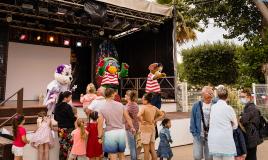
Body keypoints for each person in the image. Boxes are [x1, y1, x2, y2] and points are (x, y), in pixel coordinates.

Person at [97, 88, 136, 160]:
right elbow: (128, 118)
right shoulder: (120, 105)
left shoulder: (102, 108)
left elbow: (100, 124)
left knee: (112, 155)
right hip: (120, 131)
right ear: (112, 94)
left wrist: (99, 136)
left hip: (110, 132)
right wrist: (132, 127)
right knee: (121, 154)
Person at [208, 86, 238, 160]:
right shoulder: (229, 108)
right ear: (227, 96)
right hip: (225, 140)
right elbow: (235, 125)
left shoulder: (213, 107)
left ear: (217, 96)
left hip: (214, 140)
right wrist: (230, 124)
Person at [137, 93, 165, 160]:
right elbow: (162, 114)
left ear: (146, 100)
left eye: (143, 99)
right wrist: (155, 120)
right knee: (152, 148)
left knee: (146, 150)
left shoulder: (144, 108)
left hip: (145, 130)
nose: (141, 100)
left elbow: (138, 115)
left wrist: (141, 121)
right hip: (152, 129)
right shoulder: (154, 107)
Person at [190, 86, 214, 160]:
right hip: (198, 135)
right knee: (197, 156)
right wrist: (194, 132)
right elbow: (192, 119)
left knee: (209, 157)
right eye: (208, 94)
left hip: (211, 135)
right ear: (203, 95)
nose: (210, 96)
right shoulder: (196, 105)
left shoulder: (215, 105)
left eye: (211, 94)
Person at [240, 88, 263, 160]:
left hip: (251, 136)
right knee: (251, 156)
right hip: (252, 135)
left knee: (251, 157)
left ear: (249, 97)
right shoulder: (249, 107)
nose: (241, 99)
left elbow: (243, 120)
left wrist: (241, 117)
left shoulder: (251, 107)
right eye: (240, 97)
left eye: (243, 97)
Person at [54, 91, 76, 160]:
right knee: (70, 147)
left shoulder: (57, 106)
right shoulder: (67, 106)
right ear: (66, 98)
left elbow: (55, 118)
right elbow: (72, 118)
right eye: (70, 97)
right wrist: (75, 116)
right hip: (69, 129)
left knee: (62, 147)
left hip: (60, 129)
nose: (70, 99)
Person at [125, 90, 141, 160]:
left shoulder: (128, 106)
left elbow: (126, 117)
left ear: (128, 97)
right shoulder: (136, 104)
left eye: (126, 95)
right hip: (136, 126)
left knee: (132, 147)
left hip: (130, 127)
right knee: (135, 145)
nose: (125, 96)